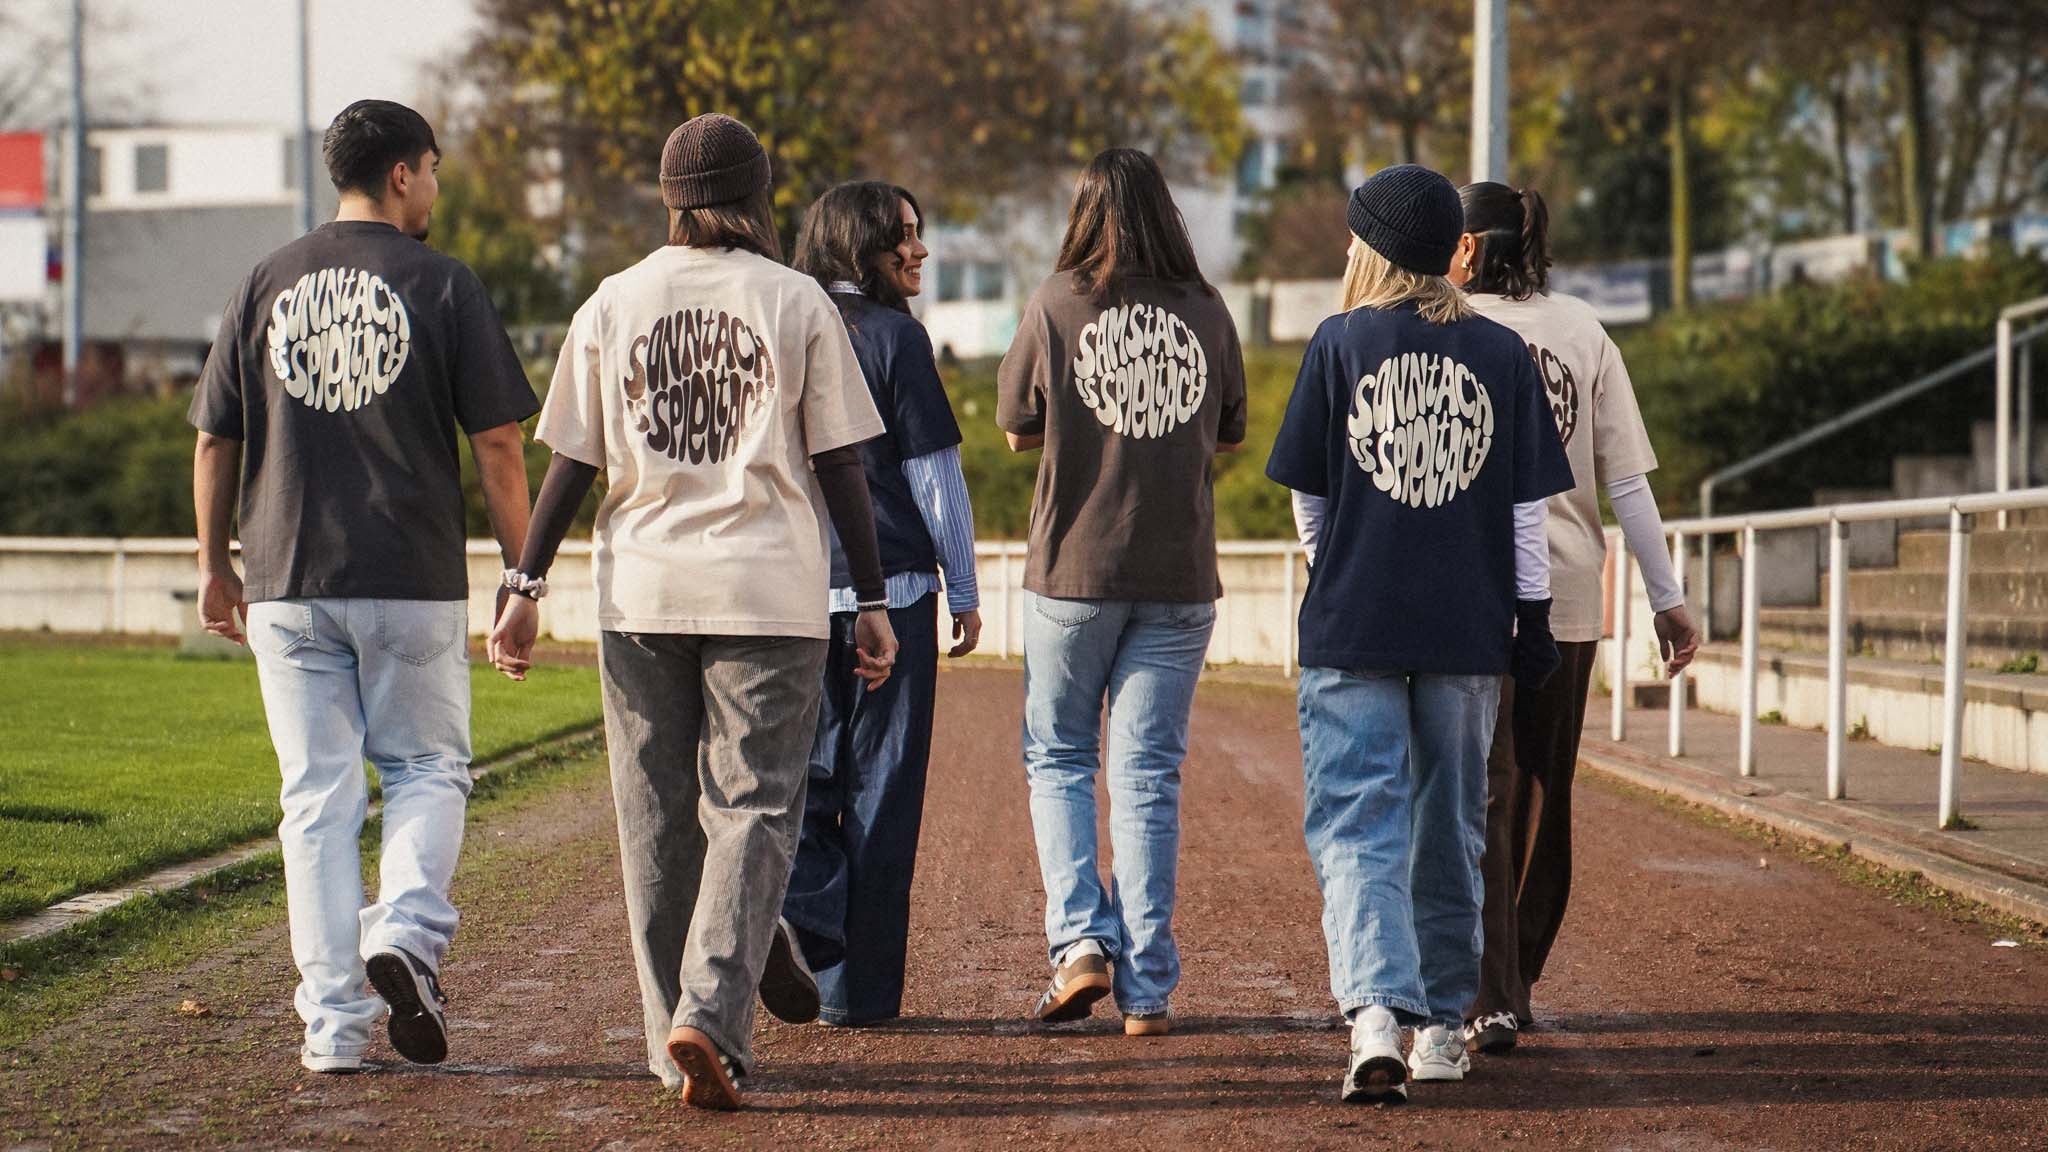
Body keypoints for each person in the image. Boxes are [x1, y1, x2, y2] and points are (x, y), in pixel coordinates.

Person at [485, 114, 897, 1111]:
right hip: (768, 592)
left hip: (642, 591)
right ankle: (710, 1013)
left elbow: (571, 462)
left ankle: (671, 1043)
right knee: (755, 806)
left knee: (656, 821)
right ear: (758, 196)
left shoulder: (612, 301)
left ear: (669, 200)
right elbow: (841, 461)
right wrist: (872, 598)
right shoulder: (796, 299)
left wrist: (524, 587)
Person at [188, 99, 538, 1074]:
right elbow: (499, 443)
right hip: (409, 576)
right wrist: (524, 574)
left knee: (316, 802)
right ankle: (407, 937)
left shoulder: (264, 280)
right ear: (401, 173)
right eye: (434, 170)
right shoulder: (443, 283)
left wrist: (213, 565)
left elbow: (215, 439)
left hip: (286, 578)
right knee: (427, 770)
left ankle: (333, 1031)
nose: (436, 189)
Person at [1264, 164, 1574, 1103]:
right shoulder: (1502, 353)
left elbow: (1308, 500)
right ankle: (1441, 1026)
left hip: (1353, 624)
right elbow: (1525, 514)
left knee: (1358, 819)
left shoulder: (1338, 342)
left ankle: (1373, 1019)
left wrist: (1341, 568)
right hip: (1467, 630)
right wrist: (1532, 620)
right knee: (1451, 826)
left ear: (1373, 249)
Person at [996, 147, 1248, 1038]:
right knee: (1146, 778)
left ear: (1085, 214)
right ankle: (1147, 993)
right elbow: (1228, 436)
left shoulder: (1057, 302)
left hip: (1074, 569)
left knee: (1061, 757)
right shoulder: (1208, 309)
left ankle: (1079, 944)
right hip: (1178, 576)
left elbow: (1015, 427)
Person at [1450, 182, 1701, 1053]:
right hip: (1566, 595)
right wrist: (1666, 598)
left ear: (1468, 247)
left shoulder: (1439, 322)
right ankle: (1514, 979)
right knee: (1542, 791)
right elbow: (1626, 481)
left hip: (1466, 596)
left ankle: (1484, 983)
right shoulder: (1583, 329)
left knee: (1478, 790)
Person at [778, 181, 983, 1026]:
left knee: (791, 785)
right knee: (883, 796)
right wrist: (963, 588)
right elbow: (935, 478)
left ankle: (804, 918)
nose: (919, 249)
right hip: (891, 598)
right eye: (904, 234)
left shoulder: (783, 326)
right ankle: (856, 994)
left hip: (786, 601)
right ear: (860, 242)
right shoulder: (898, 339)